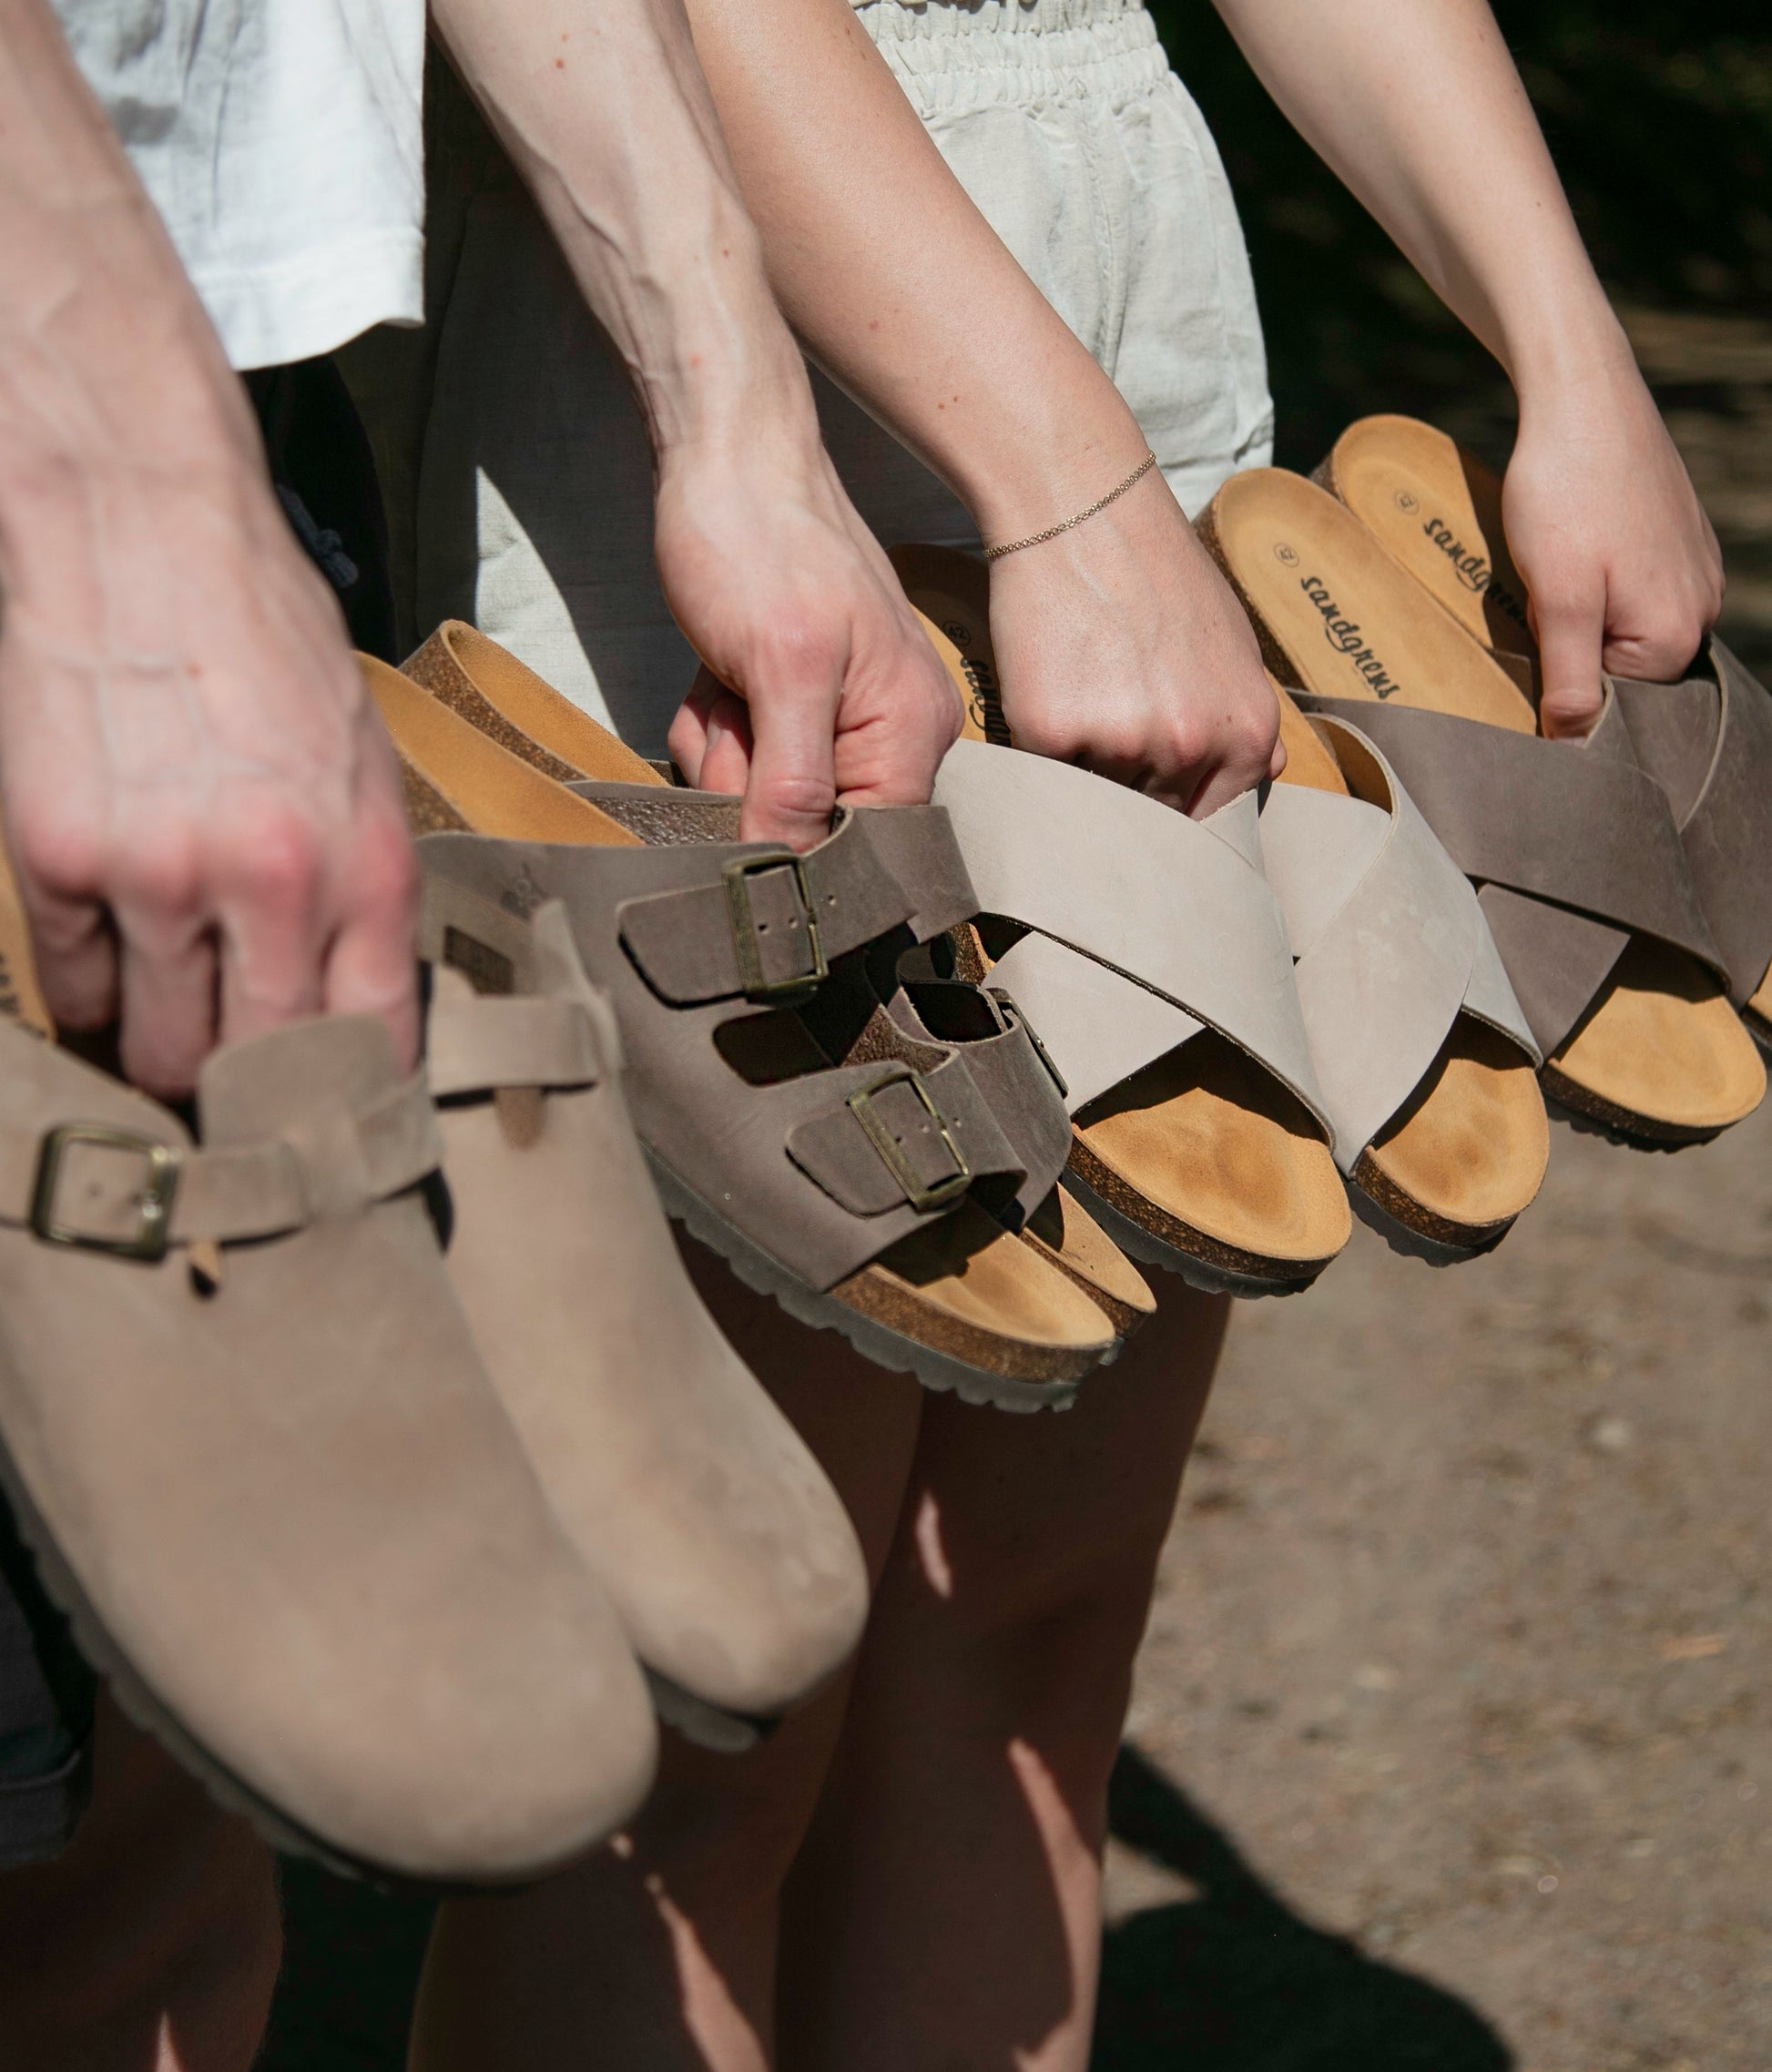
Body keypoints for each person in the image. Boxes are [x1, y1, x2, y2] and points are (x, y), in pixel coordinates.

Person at [355, 3, 1722, 2069]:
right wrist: (1067, 497)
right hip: (710, 335)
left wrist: (1568, 351)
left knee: (1029, 1630)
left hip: (1125, 283)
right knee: (711, 1695)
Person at [0, 0, 951, 2064]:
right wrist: (100, 483)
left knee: (139, 1874)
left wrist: (738, 414)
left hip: (211, 369)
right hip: (81, 404)